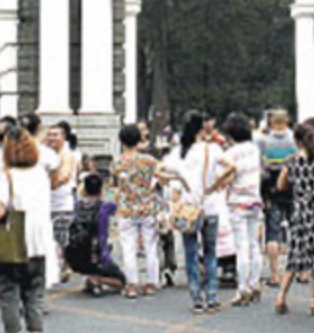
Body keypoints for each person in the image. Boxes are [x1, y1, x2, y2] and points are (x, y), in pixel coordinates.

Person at [0, 126, 55, 333]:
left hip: (13, 244)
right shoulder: (41, 175)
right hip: (39, 244)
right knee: (34, 298)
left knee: (9, 296)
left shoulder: (7, 176)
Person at [161, 109, 224, 314]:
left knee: (190, 253)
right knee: (210, 253)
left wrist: (178, 180)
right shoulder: (211, 149)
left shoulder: (178, 152)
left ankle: (197, 298)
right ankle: (212, 296)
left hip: (188, 209)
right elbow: (230, 168)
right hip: (210, 206)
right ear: (202, 127)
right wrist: (215, 186)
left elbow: (158, 172)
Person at [274, 119, 314, 317]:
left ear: (297, 141)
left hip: (301, 210)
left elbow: (280, 185)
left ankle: (281, 297)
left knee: (295, 254)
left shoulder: (292, 161)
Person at [214, 112, 263, 306]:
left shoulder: (230, 154)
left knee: (241, 246)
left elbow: (225, 179)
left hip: (237, 202)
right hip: (255, 199)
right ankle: (255, 283)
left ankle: (242, 288)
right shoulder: (254, 149)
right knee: (254, 244)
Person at [112, 122, 161, 297]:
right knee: (150, 246)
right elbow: (160, 177)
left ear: (121, 141)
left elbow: (114, 184)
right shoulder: (149, 161)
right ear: (140, 139)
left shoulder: (117, 163)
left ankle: (132, 284)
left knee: (128, 247)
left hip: (126, 208)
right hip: (148, 207)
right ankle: (151, 283)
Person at [64, 173, 125, 294]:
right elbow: (119, 203)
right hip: (96, 255)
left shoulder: (77, 206)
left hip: (74, 256)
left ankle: (92, 278)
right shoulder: (106, 207)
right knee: (121, 281)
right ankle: (97, 279)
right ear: (101, 190)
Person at [257, 108, 297, 288]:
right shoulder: (294, 139)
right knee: (297, 231)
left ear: (271, 122)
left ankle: (275, 274)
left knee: (272, 233)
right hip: (292, 189)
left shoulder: (264, 141)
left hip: (271, 189)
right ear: (287, 121)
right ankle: (301, 271)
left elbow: (262, 166)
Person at [45, 122, 79, 282]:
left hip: (63, 203)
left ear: (63, 137)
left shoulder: (67, 155)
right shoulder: (45, 153)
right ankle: (54, 268)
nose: (51, 138)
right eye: (49, 134)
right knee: (49, 239)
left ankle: (65, 265)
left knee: (62, 238)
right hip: (45, 203)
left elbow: (64, 177)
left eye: (55, 135)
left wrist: (52, 182)